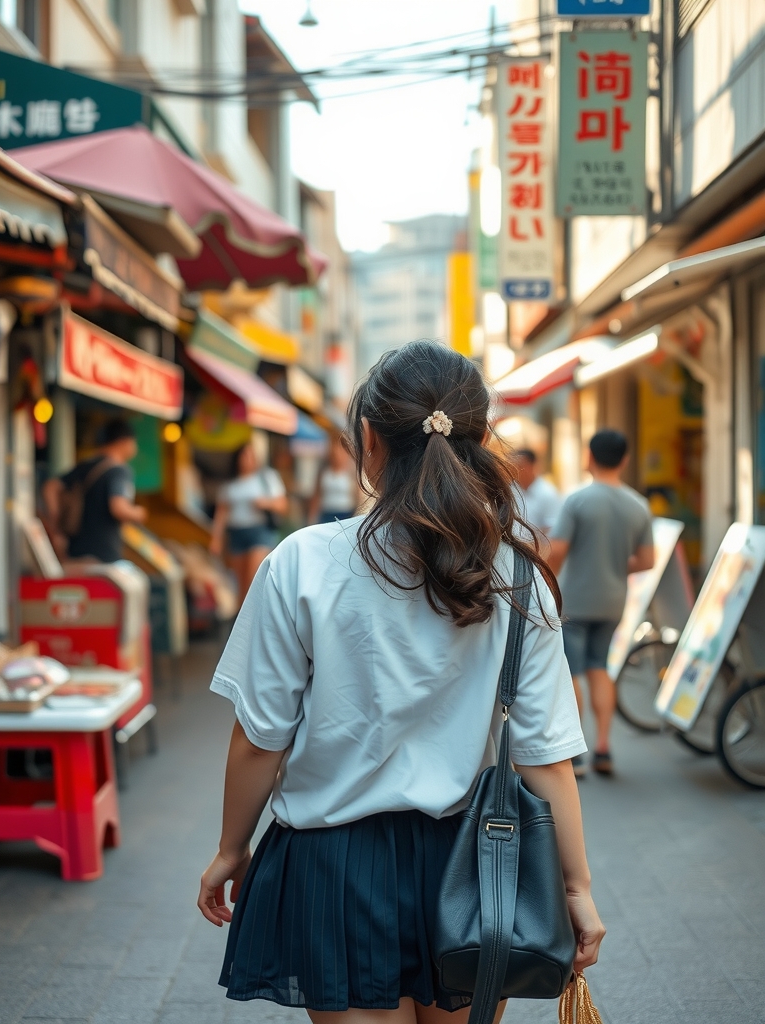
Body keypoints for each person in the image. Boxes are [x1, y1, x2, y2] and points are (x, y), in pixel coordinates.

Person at [198, 341, 604, 1024]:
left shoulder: (302, 562)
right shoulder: (518, 575)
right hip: (479, 863)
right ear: (477, 441)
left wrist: (230, 849)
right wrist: (576, 887)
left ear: (367, 439)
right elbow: (545, 758)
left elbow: (258, 739)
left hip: (335, 865)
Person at [548, 429, 655, 778]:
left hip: (575, 600)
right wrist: (614, 564)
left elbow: (558, 550)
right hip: (613, 601)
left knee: (573, 672)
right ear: (624, 460)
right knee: (599, 667)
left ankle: (576, 755)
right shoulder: (639, 505)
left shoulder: (577, 500)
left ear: (589, 457)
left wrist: (546, 585)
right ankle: (604, 748)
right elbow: (647, 560)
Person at [42, 418, 147, 567]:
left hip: (74, 552)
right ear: (124, 441)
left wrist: (55, 517)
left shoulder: (86, 465)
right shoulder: (120, 471)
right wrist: (139, 513)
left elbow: (50, 487)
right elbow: (118, 508)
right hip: (104, 554)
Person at [209, 441, 287, 606]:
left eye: (251, 455)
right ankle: (243, 621)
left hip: (259, 532)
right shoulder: (230, 484)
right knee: (241, 584)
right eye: (244, 455)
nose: (247, 459)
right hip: (237, 533)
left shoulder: (266, 478)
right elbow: (222, 513)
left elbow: (282, 505)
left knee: (254, 579)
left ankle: (257, 618)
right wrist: (216, 538)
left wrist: (265, 503)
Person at [511, 448, 561, 550]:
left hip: (538, 552)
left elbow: (552, 529)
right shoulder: (510, 490)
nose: (516, 469)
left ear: (532, 466)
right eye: (513, 466)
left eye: (520, 466)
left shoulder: (547, 493)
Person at [309, 434, 362, 524]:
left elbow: (357, 496)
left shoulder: (351, 472)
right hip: (327, 514)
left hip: (345, 514)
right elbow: (317, 495)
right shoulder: (324, 471)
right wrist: (312, 518)